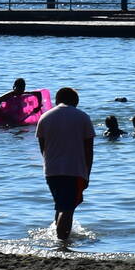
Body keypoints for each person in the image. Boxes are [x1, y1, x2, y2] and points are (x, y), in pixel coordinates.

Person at [35, 88, 95, 245]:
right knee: (67, 209)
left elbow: (43, 148)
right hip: (74, 170)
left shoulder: (45, 117)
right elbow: (89, 150)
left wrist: (49, 165)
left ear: (57, 100)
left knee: (61, 205)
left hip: (51, 171)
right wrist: (87, 174)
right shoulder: (82, 117)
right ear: (76, 101)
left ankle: (59, 240)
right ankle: (62, 244)